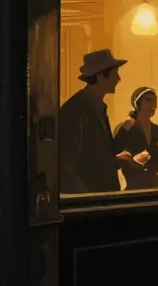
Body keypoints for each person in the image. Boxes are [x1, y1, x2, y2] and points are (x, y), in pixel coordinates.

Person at [58, 49, 137, 194]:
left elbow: (100, 153)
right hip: (92, 199)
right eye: (114, 74)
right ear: (101, 76)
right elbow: (69, 164)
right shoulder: (75, 111)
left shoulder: (96, 106)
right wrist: (86, 196)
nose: (118, 79)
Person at [112, 86, 158, 190]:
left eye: (155, 100)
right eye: (148, 100)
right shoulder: (126, 128)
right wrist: (131, 161)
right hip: (134, 187)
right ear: (137, 103)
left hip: (154, 187)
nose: (153, 104)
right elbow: (113, 153)